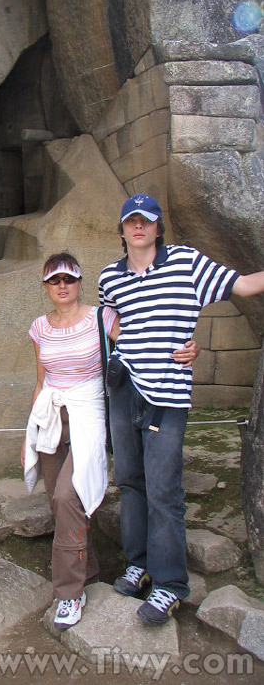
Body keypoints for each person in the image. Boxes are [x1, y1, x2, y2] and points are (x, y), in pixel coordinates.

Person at [98, 193, 264, 626]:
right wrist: (134, 346)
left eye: (147, 221)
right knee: (131, 483)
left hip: (168, 394)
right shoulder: (109, 277)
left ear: (157, 228)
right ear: (121, 230)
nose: (139, 228)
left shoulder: (186, 263)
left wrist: (188, 347)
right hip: (124, 389)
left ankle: (170, 584)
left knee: (164, 489)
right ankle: (138, 564)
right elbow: (111, 319)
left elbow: (244, 285)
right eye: (131, 221)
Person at [22, 252, 198, 630]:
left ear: (80, 282)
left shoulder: (102, 317)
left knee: (70, 495)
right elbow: (41, 379)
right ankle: (89, 573)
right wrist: (30, 432)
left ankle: (69, 593)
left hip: (90, 412)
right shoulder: (39, 327)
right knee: (60, 502)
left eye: (69, 278)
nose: (62, 286)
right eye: (54, 280)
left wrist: (188, 348)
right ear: (45, 287)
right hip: (52, 416)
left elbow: (143, 344)